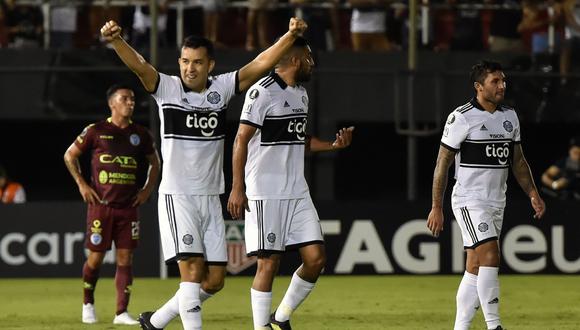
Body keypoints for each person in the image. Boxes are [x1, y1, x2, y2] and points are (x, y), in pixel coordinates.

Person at [99, 16, 308, 330]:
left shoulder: (222, 88)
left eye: (197, 62)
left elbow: (262, 62)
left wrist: (289, 36)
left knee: (214, 281)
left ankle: (155, 321)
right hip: (178, 196)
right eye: (184, 61)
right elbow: (140, 65)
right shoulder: (166, 88)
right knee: (193, 272)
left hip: (210, 197)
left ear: (210, 65)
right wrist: (117, 41)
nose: (189, 68)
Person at [227, 36, 354, 330]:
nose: (313, 64)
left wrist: (333, 146)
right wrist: (237, 187)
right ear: (296, 60)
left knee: (316, 258)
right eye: (310, 58)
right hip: (265, 191)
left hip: (297, 191)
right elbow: (240, 140)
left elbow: (301, 141)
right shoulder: (262, 92)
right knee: (268, 263)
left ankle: (280, 317)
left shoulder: (301, 94)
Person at [426, 60, 546, 330]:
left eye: (503, 80)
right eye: (495, 82)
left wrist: (533, 193)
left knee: (475, 265)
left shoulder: (509, 116)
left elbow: (517, 161)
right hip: (470, 200)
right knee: (490, 254)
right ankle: (495, 326)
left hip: (496, 200)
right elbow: (442, 163)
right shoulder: (462, 117)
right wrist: (437, 206)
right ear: (479, 87)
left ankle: (461, 327)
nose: (502, 85)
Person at [63, 84, 161, 325]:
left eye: (133, 99)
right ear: (112, 104)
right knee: (95, 258)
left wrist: (147, 190)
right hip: (101, 206)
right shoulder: (96, 131)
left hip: (129, 208)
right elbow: (69, 155)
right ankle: (88, 303)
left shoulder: (141, 134)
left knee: (125, 258)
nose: (131, 102)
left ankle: (121, 313)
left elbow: (156, 164)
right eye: (125, 98)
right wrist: (82, 185)